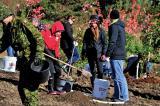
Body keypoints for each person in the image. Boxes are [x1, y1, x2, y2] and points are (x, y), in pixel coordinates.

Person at [0, 3, 46, 106]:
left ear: (6, 15)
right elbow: (4, 43)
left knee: (29, 90)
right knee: (22, 88)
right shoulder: (8, 27)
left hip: (33, 61)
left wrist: (38, 57)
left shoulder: (22, 23)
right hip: (24, 62)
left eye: (2, 20)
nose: (1, 22)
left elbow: (38, 39)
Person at [106, 10, 129, 102]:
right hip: (119, 53)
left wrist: (107, 54)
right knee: (116, 76)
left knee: (119, 77)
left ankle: (123, 97)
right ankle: (117, 95)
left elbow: (112, 41)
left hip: (116, 55)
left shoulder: (114, 26)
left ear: (111, 17)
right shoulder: (121, 26)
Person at [81, 15, 107, 87]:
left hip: (99, 54)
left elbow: (105, 43)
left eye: (94, 22)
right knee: (93, 71)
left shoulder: (102, 31)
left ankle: (100, 86)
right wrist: (83, 52)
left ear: (97, 22)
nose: (92, 23)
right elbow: (85, 42)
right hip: (90, 53)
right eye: (91, 22)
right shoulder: (88, 31)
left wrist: (104, 54)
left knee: (100, 71)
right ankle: (94, 86)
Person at [40, 21, 65, 95]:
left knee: (58, 70)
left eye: (60, 32)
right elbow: (42, 42)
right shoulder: (46, 32)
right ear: (55, 30)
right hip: (46, 52)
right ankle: (50, 89)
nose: (60, 33)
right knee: (52, 71)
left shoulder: (58, 36)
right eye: (58, 32)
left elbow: (57, 46)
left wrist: (57, 55)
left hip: (53, 53)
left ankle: (57, 88)